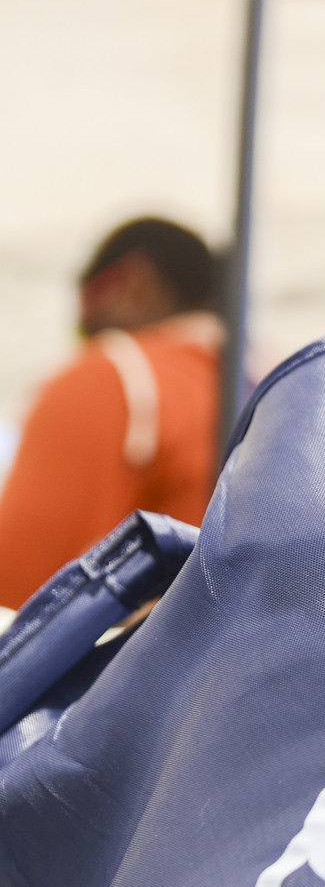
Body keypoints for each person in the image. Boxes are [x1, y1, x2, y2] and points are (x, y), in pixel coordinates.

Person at [0, 218, 223, 608]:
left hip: (161, 662)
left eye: (88, 323)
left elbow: (19, 582)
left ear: (135, 281)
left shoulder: (116, 374)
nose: (86, 342)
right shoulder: (281, 383)